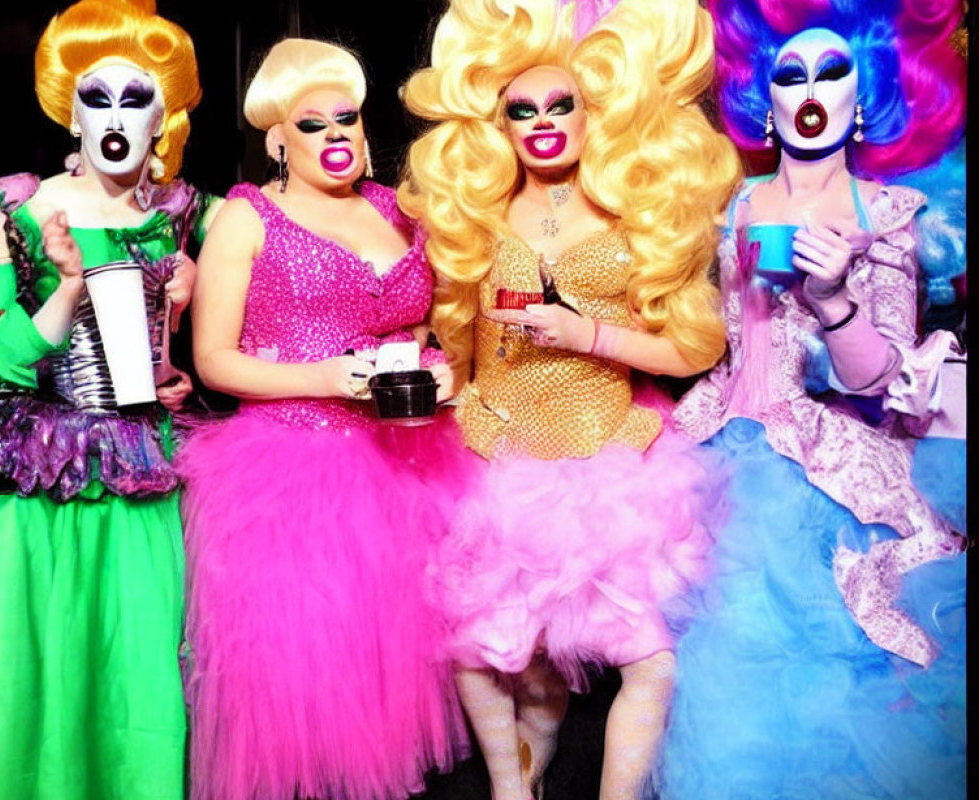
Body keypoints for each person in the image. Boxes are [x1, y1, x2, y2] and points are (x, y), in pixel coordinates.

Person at [398, 0, 741, 797]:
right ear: (502, 126)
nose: (544, 122)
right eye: (524, 110)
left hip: (607, 469)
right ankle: (513, 788)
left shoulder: (636, 218)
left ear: (594, 117)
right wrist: (429, 380)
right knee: (481, 653)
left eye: (562, 106)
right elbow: (451, 346)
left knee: (650, 665)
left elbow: (695, 348)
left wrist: (587, 335)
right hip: (499, 466)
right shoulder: (471, 218)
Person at [657, 0, 967, 797]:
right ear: (765, 98)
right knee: (708, 659)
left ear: (863, 99)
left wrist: (832, 299)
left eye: (833, 72)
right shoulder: (734, 205)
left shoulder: (891, 215)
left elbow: (876, 381)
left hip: (830, 468)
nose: (810, 89)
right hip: (724, 440)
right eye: (790, 74)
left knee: (829, 670)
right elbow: (725, 337)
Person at [175, 37, 469, 800]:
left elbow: (421, 324)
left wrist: (431, 365)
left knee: (392, 674)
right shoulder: (247, 218)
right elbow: (212, 359)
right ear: (277, 140)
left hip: (402, 462)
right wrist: (325, 376)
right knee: (305, 684)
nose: (336, 136)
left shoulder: (395, 211)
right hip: (290, 470)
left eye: (347, 119)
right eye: (314, 125)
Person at [0, 0, 214, 797]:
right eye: (97, 96)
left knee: (142, 663)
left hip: (143, 467)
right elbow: (1, 359)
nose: (115, 117)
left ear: (162, 121)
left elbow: (170, 364)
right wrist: (69, 288)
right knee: (47, 664)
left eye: (135, 98)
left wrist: (177, 334)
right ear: (70, 112)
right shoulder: (14, 209)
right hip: (44, 478)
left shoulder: (174, 218)